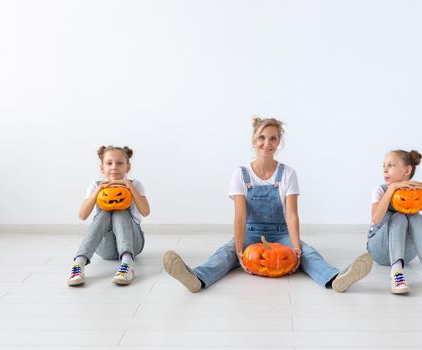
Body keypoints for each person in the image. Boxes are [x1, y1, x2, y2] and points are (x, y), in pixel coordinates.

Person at [163, 117, 372, 292]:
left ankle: (336, 278)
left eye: (273, 139)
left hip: (281, 234)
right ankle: (196, 278)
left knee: (308, 253)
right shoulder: (241, 174)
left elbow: (291, 215)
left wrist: (296, 247)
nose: (267, 143)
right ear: (254, 140)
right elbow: (240, 216)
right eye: (261, 138)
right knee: (225, 253)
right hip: (250, 233)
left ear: (278, 142)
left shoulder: (288, 173)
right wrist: (238, 248)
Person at [68, 145, 150, 286]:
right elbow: (82, 215)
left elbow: (145, 212)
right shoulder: (96, 185)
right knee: (104, 214)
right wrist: (99, 190)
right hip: (105, 248)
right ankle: (79, 263)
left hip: (132, 244)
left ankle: (127, 264)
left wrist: (129, 186)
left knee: (120, 212)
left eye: (119, 163)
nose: (114, 167)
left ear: (127, 167)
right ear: (102, 168)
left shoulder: (135, 184)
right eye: (109, 163)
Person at [367, 149, 422, 294]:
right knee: (399, 216)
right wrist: (392, 190)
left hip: (406, 254)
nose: (385, 169)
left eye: (391, 165)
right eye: (384, 165)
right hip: (379, 249)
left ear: (407, 170)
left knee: (416, 216)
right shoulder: (380, 190)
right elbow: (376, 219)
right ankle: (396, 273)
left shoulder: (417, 193)